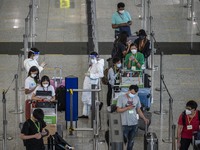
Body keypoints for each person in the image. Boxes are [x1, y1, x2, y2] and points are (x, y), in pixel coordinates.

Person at [116, 85, 149, 150]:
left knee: (131, 141)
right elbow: (118, 110)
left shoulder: (136, 98)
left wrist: (144, 118)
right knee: (123, 140)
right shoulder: (121, 98)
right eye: (131, 93)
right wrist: (127, 108)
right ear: (129, 90)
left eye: (134, 93)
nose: (132, 94)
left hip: (134, 123)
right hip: (124, 123)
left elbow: (138, 110)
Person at [79, 52, 104, 118]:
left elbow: (101, 74)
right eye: (91, 57)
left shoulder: (99, 64)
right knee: (85, 99)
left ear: (96, 57)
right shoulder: (93, 64)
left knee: (89, 99)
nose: (91, 59)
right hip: (87, 84)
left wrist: (91, 75)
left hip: (92, 84)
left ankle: (97, 103)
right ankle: (85, 114)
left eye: (93, 57)